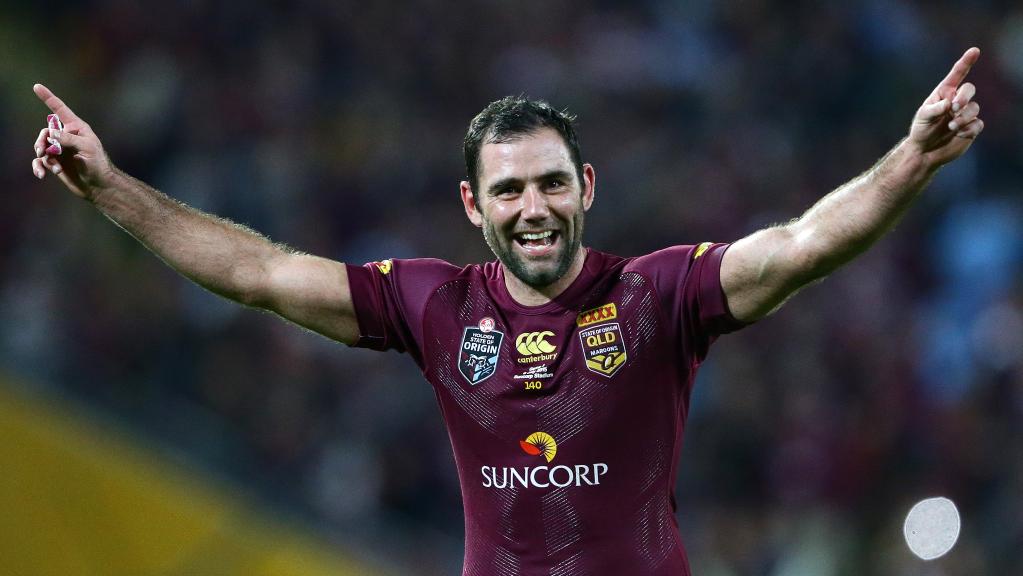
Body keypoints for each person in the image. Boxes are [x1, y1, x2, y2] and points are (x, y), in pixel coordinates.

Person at [31, 47, 984, 576]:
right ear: (472, 205)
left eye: (551, 183)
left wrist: (911, 158)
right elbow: (261, 272)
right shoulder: (433, 305)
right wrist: (109, 187)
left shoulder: (656, 295)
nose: (533, 207)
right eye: (510, 189)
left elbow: (802, 246)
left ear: (586, 188)